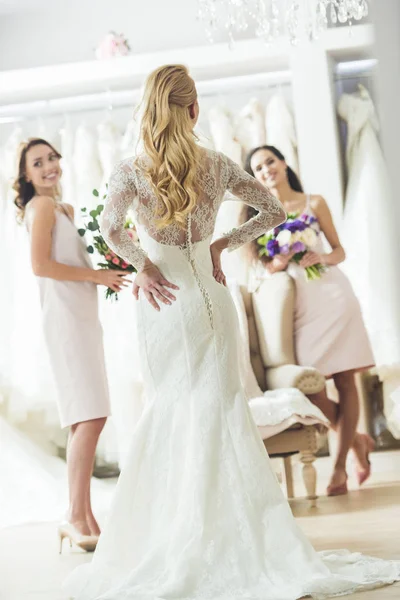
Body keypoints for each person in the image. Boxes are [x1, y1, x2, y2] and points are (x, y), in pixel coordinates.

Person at [65, 65, 400, 600]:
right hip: (213, 302)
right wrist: (220, 244)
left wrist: (144, 267)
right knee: (222, 414)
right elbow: (269, 210)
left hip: (165, 303)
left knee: (172, 409)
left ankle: (176, 534)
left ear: (150, 111)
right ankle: (237, 537)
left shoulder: (132, 170)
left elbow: (108, 228)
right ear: (193, 109)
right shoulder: (217, 164)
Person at [14, 138, 130, 552]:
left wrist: (108, 266)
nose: (49, 167)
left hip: (82, 317)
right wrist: (97, 277)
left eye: (52, 158)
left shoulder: (65, 209)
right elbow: (40, 266)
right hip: (64, 319)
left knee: (90, 415)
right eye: (38, 163)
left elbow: (71, 262)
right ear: (26, 175)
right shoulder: (41, 207)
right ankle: (73, 515)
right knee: (89, 416)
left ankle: (84, 516)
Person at [244, 145, 375, 496]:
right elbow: (261, 267)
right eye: (258, 168)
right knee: (313, 384)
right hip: (299, 305)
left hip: (332, 294)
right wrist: (279, 258)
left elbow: (340, 251)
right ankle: (357, 442)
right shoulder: (260, 215)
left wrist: (321, 255)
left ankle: (339, 469)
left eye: (270, 161)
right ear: (255, 178)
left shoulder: (313, 203)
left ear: (284, 163)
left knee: (346, 379)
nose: (266, 170)